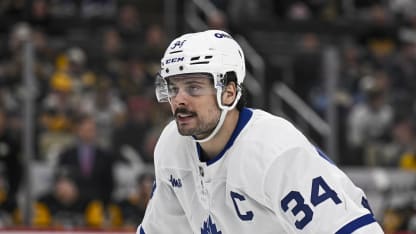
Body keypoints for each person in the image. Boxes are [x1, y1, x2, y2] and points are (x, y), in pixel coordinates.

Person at [137, 30, 384, 233]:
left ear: (229, 92)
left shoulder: (273, 151)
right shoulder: (172, 146)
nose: (179, 100)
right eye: (173, 88)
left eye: (193, 88)